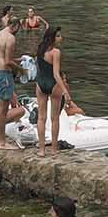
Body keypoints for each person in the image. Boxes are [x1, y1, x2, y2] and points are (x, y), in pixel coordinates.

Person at [34, 26, 78, 155]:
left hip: (40, 83)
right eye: (58, 36)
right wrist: (65, 91)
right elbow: (56, 75)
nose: (61, 38)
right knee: (55, 119)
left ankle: (41, 150)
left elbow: (39, 67)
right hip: (53, 85)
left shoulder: (40, 50)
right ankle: (53, 150)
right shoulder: (56, 52)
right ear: (52, 37)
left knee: (41, 118)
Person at [0, 9, 21, 152]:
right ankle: (2, 142)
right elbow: (7, 62)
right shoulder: (10, 38)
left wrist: (19, 59)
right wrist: (21, 69)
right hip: (3, 75)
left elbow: (0, 57)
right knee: (2, 111)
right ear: (15, 26)